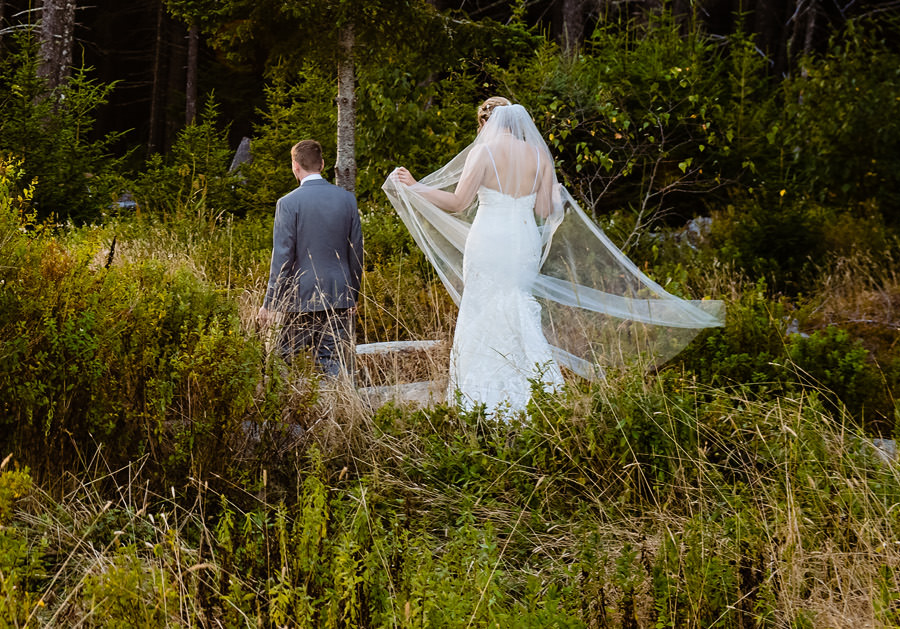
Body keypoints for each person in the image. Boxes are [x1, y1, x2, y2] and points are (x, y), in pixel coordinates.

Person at [385, 98, 721, 417]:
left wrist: (413, 186)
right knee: (517, 302)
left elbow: (458, 203)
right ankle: (538, 391)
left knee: (483, 306)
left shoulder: (483, 151)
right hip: (524, 240)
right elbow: (544, 210)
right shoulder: (538, 155)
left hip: (490, 239)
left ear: (485, 121)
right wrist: (555, 196)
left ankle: (480, 398)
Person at [258, 139, 363, 378]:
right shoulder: (347, 200)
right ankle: (345, 410)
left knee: (280, 361)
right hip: (339, 294)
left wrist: (270, 303)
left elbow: (282, 259)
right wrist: (353, 294)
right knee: (333, 361)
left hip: (300, 297)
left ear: (295, 166)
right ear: (323, 164)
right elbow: (356, 251)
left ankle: (280, 412)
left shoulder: (287, 203)